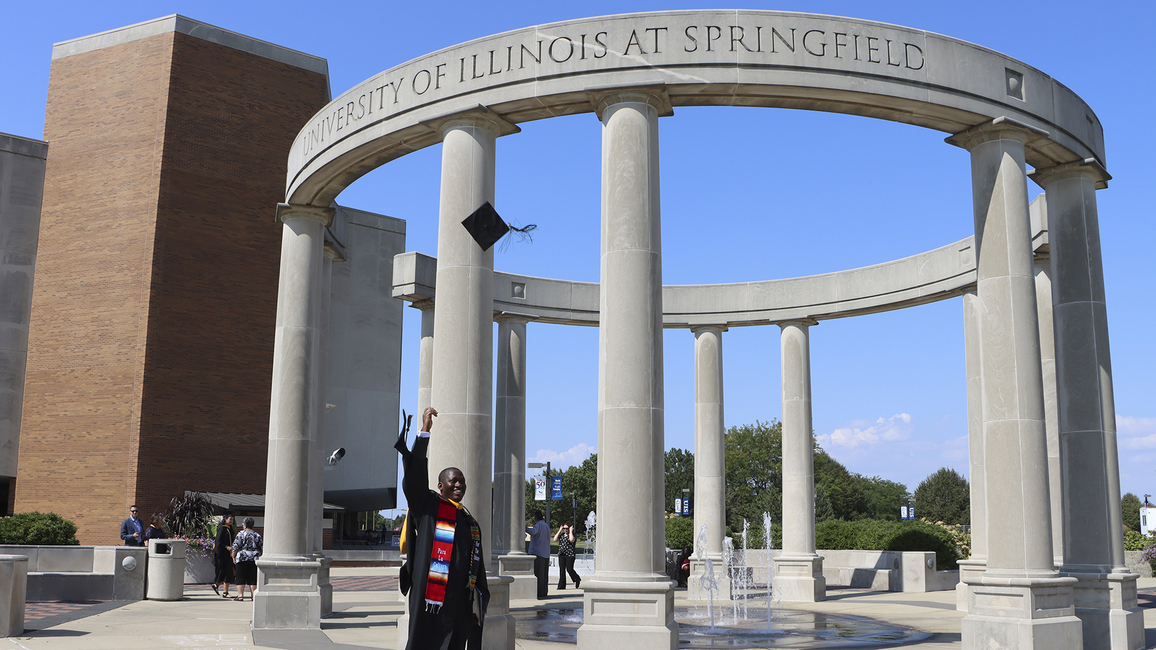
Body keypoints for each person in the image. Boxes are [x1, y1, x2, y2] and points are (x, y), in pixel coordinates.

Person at [395, 407, 489, 650]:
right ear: (441, 485)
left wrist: (479, 596)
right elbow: (414, 479)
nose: (459, 485)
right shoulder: (429, 506)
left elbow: (477, 564)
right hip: (432, 599)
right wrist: (424, 434)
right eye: (453, 481)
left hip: (459, 602)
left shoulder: (469, 520)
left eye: (462, 481)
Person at [231, 517, 262, 601]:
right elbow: (260, 547)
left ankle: (240, 596)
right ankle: (253, 596)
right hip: (254, 558)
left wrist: (233, 556)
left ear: (244, 525)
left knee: (240, 577)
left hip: (242, 558)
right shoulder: (257, 535)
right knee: (253, 578)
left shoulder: (241, 534)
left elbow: (235, 546)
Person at [526, 512, 550, 599]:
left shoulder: (539, 525)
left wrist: (524, 527)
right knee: (544, 574)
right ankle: (544, 591)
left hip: (538, 552)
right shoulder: (546, 525)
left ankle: (539, 592)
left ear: (536, 518)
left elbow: (533, 532)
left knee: (538, 574)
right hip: (546, 553)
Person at [212, 514, 235, 598]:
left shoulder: (229, 529)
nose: (231, 521)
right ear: (225, 519)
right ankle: (224, 591)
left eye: (232, 520)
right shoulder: (222, 529)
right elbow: (219, 542)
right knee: (226, 572)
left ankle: (217, 585)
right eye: (230, 519)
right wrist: (226, 547)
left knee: (228, 573)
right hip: (223, 555)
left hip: (228, 555)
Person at [553, 522, 581, 590]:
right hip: (562, 554)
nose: (565, 530)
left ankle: (577, 579)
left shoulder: (573, 535)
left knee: (569, 569)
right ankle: (561, 585)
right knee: (562, 570)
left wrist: (571, 531)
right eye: (564, 528)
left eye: (567, 528)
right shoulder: (562, 535)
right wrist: (560, 530)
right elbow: (555, 539)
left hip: (570, 555)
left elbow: (571, 540)